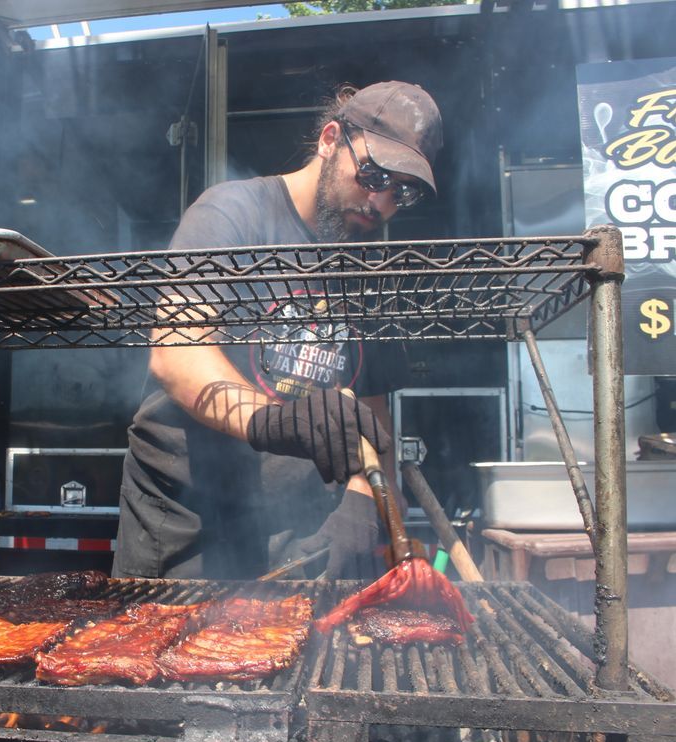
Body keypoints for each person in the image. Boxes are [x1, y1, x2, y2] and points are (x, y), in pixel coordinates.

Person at [113, 81, 443, 580]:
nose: (380, 202)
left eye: (403, 191)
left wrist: (360, 501)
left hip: (294, 534)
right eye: (373, 175)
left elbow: (373, 423)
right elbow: (176, 354)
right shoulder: (232, 212)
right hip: (187, 524)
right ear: (331, 139)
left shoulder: (363, 270)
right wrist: (274, 422)